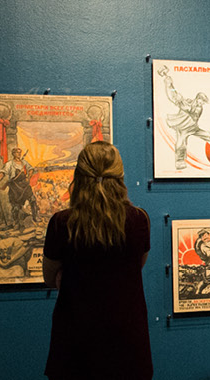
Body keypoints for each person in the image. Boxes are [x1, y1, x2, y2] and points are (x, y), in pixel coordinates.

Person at [41, 141, 154, 379]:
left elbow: (50, 278)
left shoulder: (62, 223)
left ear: (79, 176)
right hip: (127, 338)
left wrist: (69, 275)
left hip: (75, 338)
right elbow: (136, 266)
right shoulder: (139, 220)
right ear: (120, 176)